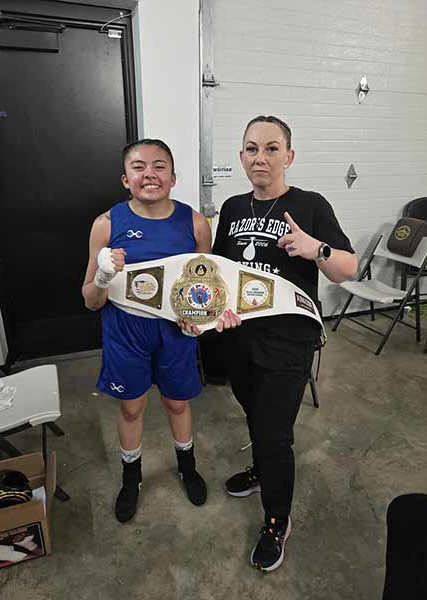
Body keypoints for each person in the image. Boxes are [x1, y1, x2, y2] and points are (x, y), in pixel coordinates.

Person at [199, 115, 357, 572]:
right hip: (239, 338)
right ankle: (261, 471)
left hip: (289, 341)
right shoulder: (232, 208)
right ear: (241, 156)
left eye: (271, 148)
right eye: (251, 148)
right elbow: (222, 273)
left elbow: (348, 269)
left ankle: (276, 520)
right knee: (254, 413)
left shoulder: (310, 205)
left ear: (289, 155)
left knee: (274, 434)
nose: (260, 157)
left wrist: (317, 250)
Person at [82, 139, 214, 523]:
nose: (150, 174)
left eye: (159, 166)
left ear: (173, 177)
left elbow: (206, 291)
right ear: (126, 179)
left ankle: (187, 467)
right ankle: (131, 478)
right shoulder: (106, 225)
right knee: (131, 407)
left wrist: (198, 320)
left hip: (174, 332)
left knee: (178, 403)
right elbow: (91, 300)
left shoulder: (196, 224)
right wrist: (103, 276)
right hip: (125, 331)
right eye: (139, 167)